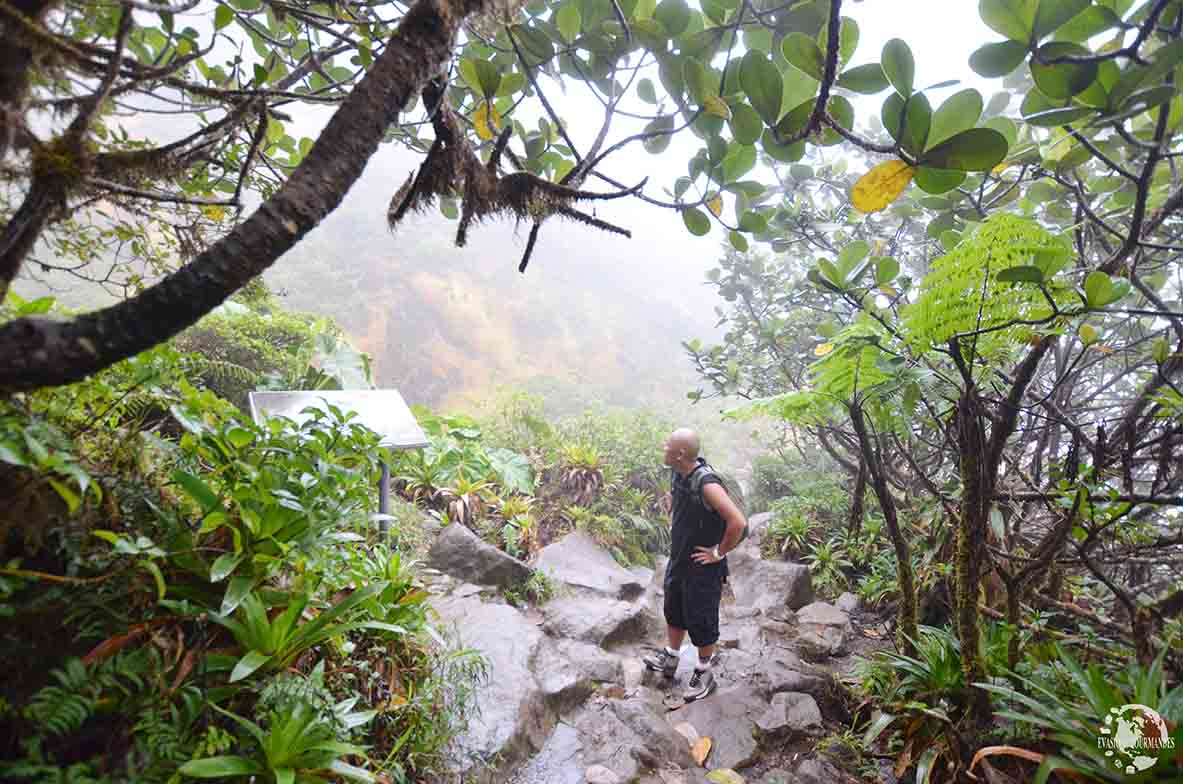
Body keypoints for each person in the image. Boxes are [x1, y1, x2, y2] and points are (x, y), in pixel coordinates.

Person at [643, 428, 747, 701]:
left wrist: (718, 552)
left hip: (703, 566)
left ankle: (703, 672)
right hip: (680, 558)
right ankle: (672, 657)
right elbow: (682, 503)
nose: (663, 448)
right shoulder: (678, 472)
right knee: (674, 608)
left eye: (666, 445)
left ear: (679, 454)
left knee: (701, 617)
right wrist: (673, 506)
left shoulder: (707, 484)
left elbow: (738, 522)